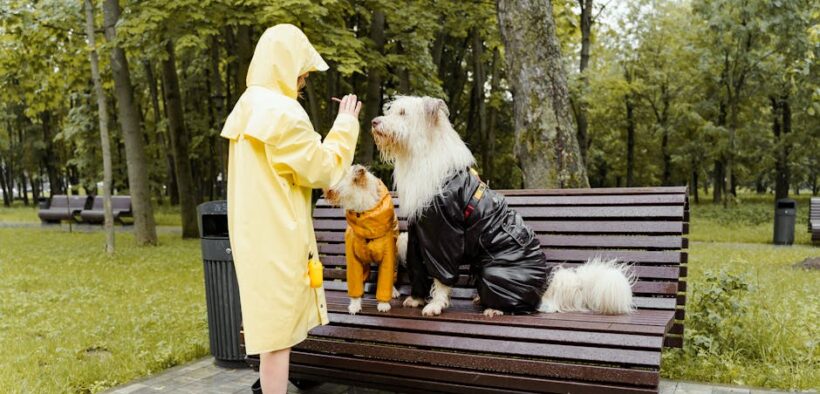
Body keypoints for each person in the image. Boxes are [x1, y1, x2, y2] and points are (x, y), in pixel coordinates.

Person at [220, 24, 361, 393]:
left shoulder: (248, 105)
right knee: (278, 337)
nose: (303, 79)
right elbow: (325, 170)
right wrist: (346, 123)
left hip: (253, 236)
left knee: (272, 337)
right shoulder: (285, 113)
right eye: (302, 71)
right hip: (278, 239)